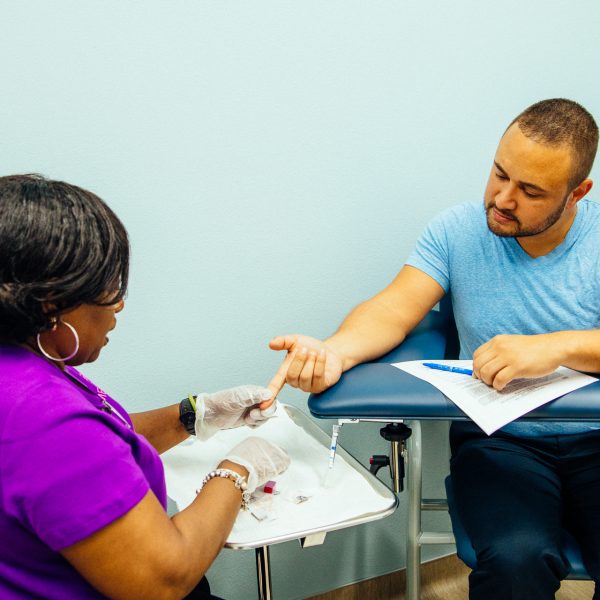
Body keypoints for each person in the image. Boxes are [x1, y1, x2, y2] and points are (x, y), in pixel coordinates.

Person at [265, 99, 600, 599]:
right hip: (500, 442)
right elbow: (392, 310)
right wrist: (334, 352)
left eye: (530, 191)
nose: (503, 198)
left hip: (594, 437)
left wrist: (558, 347)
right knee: (516, 559)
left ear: (577, 193)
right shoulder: (457, 231)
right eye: (499, 173)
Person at [0, 174, 289, 600]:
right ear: (50, 302)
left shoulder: (23, 368)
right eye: (107, 287)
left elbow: (95, 451)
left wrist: (195, 414)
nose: (118, 303)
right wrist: (237, 471)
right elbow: (164, 581)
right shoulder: (46, 420)